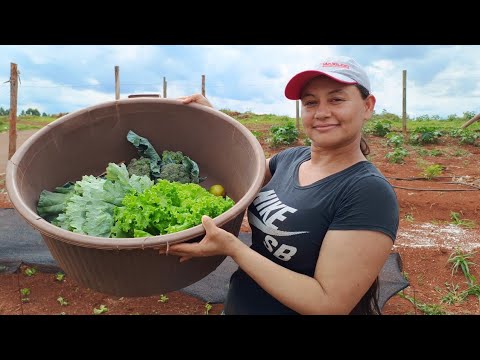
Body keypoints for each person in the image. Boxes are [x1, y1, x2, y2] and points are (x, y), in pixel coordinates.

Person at [165, 55, 399, 315]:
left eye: (336, 99)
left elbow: (329, 304)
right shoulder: (289, 159)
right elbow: (242, 171)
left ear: (367, 106)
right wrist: (214, 122)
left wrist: (234, 248)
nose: (321, 112)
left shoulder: (367, 192)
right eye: (311, 103)